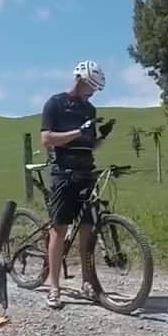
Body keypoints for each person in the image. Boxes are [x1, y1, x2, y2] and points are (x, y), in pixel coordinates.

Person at [38, 60, 113, 309]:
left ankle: (87, 282)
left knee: (87, 230)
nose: (93, 93)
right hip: (64, 172)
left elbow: (88, 142)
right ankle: (54, 287)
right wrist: (76, 133)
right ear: (81, 81)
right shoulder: (55, 104)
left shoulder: (89, 110)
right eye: (91, 87)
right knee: (59, 229)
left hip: (86, 171)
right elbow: (47, 139)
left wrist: (100, 137)